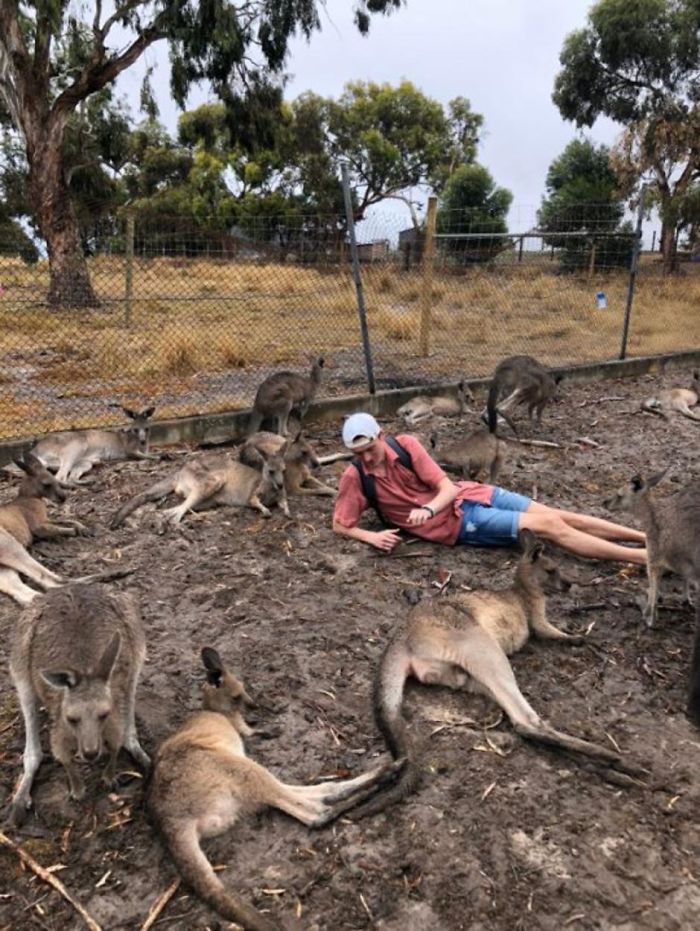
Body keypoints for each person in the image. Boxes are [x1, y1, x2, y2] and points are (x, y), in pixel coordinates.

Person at [332, 412, 647, 564]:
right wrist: (370, 535)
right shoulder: (355, 477)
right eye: (357, 454)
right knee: (550, 525)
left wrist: (427, 507)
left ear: (381, 436)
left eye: (370, 448)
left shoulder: (405, 446)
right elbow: (340, 524)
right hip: (455, 524)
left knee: (559, 515)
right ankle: (644, 559)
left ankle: (646, 540)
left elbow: (446, 488)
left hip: (469, 493)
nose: (366, 457)